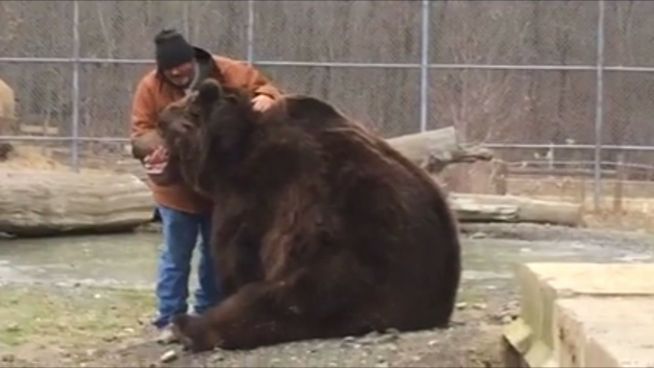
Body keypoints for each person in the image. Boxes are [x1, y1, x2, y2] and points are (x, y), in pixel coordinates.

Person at [129, 29, 282, 342]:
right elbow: (140, 133)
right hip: (176, 190)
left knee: (215, 255)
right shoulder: (150, 87)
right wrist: (158, 148)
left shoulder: (227, 71)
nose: (177, 73)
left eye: (181, 66)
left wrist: (267, 97)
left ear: (191, 59)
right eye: (169, 70)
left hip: (220, 191)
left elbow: (265, 87)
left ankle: (207, 315)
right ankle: (167, 319)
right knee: (176, 257)